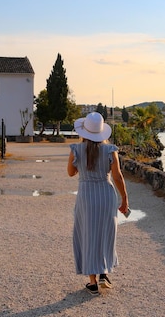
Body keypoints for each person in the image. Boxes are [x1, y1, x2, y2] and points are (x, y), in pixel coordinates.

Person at [67, 112, 129, 296]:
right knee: (106, 234)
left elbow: (71, 172)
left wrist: (82, 165)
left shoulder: (76, 149)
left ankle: (93, 282)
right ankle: (104, 272)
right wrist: (124, 199)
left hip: (86, 195)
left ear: (84, 131)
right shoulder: (110, 150)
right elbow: (117, 176)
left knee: (87, 234)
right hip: (106, 194)